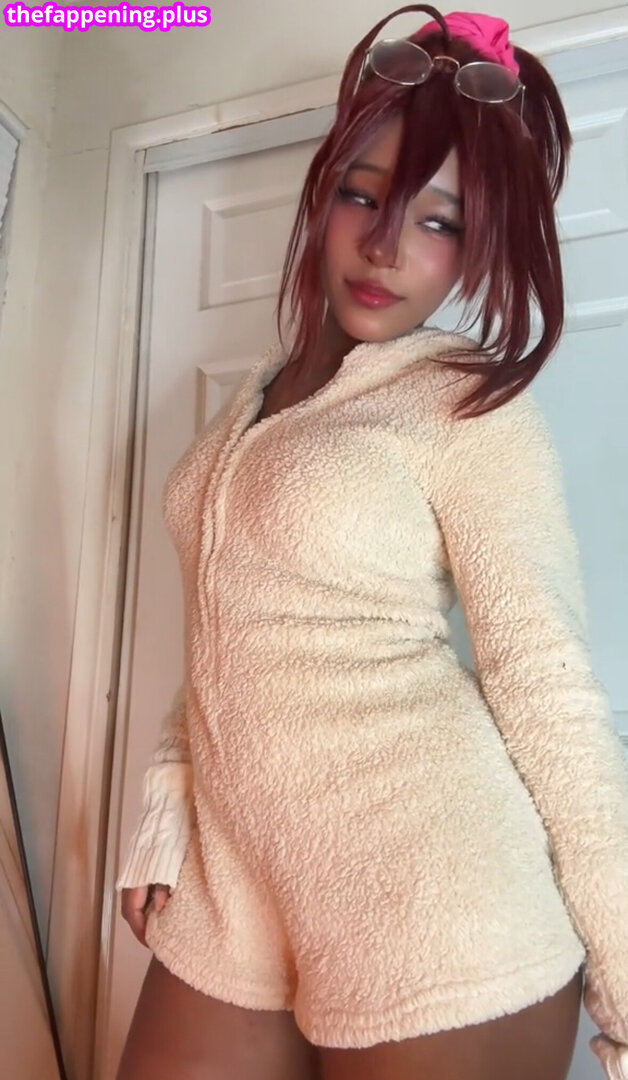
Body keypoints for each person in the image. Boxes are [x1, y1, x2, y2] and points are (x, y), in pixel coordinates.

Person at [115, 7, 628, 1079]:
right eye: (364, 195)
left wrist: (624, 969)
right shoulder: (248, 402)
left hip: (436, 890)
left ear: (476, 251)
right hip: (236, 891)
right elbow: (222, 631)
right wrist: (165, 810)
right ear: (322, 194)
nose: (388, 247)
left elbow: (545, 684)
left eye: (440, 222)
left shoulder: (461, 402)